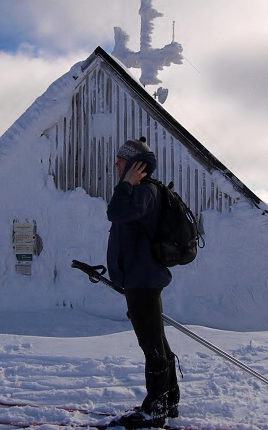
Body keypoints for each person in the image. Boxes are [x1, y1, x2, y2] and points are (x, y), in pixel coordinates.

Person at [106, 137, 180, 429]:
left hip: (143, 279)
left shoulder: (145, 192)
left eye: (121, 162)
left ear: (137, 166)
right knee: (157, 340)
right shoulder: (143, 192)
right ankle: (168, 400)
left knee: (151, 345)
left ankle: (155, 409)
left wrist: (126, 184)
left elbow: (116, 212)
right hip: (141, 277)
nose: (116, 165)